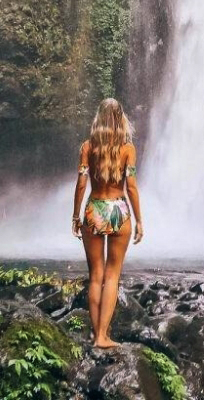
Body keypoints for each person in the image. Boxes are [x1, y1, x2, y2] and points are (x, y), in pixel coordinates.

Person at [71, 98, 143, 348]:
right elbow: (131, 186)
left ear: (98, 118)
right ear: (120, 117)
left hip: (95, 209)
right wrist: (139, 219)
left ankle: (97, 336)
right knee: (112, 277)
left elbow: (81, 183)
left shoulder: (87, 147)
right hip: (119, 210)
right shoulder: (127, 149)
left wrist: (76, 216)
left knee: (95, 277)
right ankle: (104, 334)